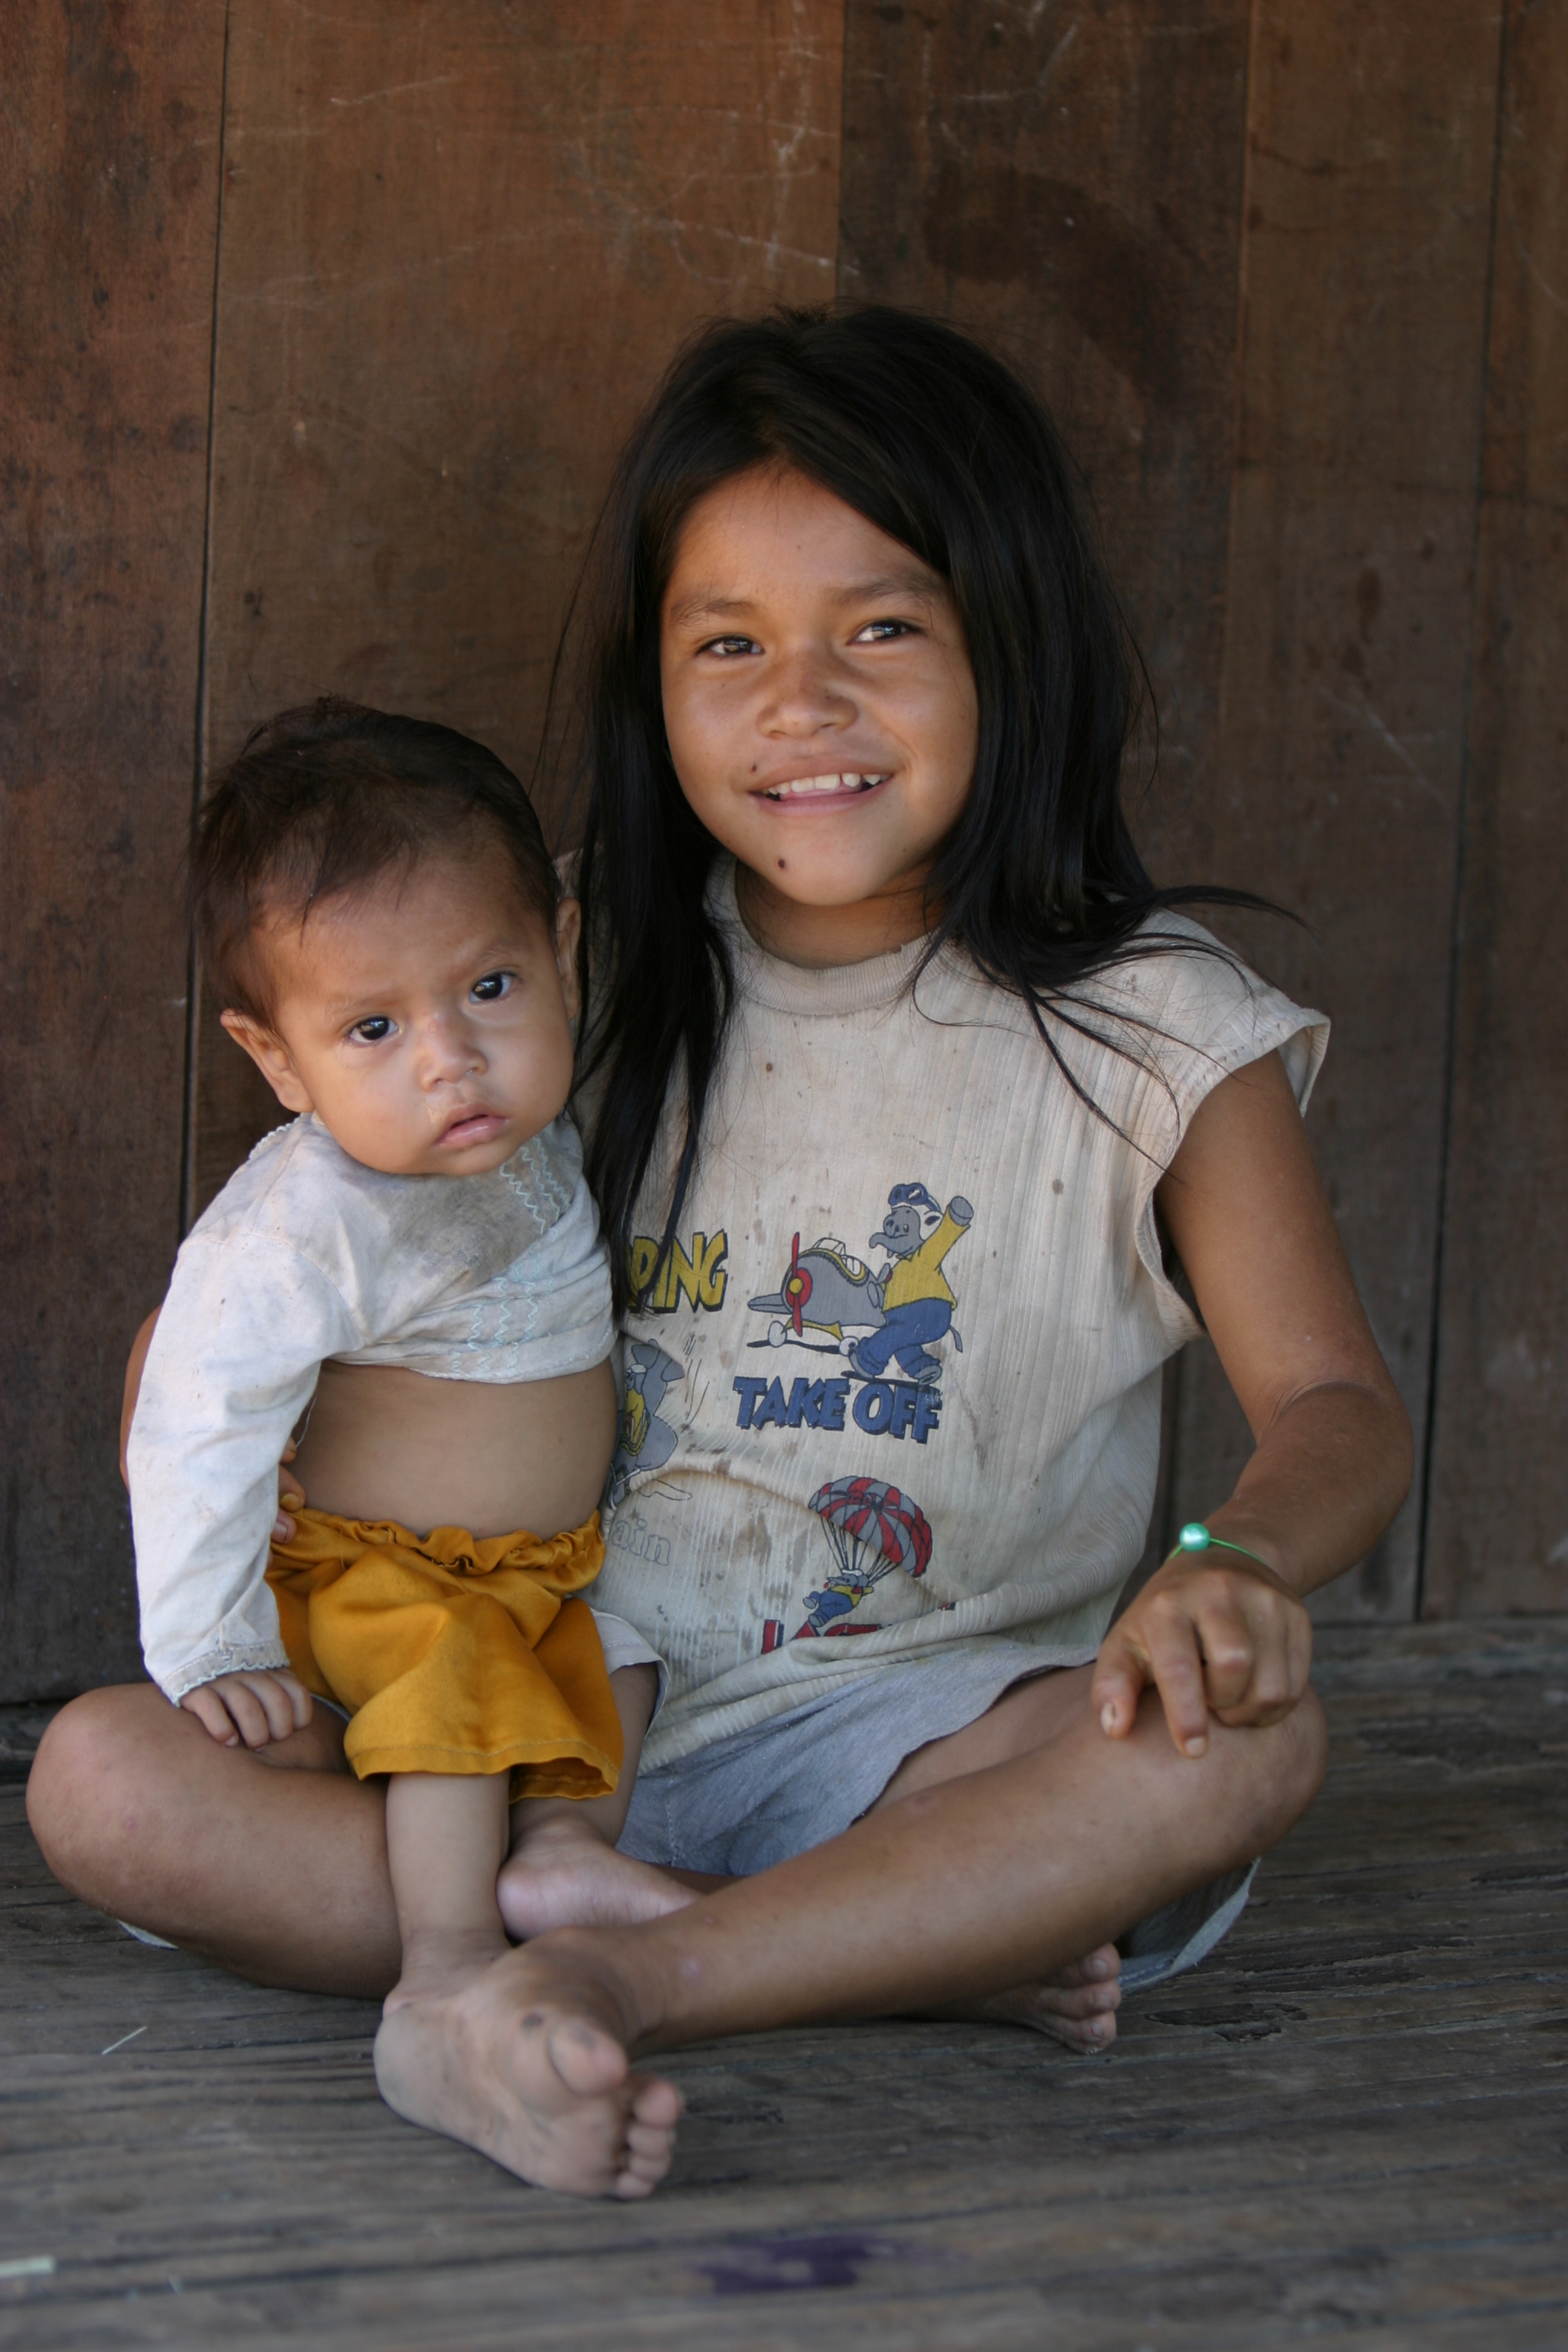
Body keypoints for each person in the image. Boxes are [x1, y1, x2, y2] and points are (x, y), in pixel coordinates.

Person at [30, 308, 1413, 2205]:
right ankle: (878, 1955)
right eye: (729, 645)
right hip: (530, 1728)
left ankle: (609, 1976)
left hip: (927, 1743)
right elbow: (292, 1285)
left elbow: (1333, 1400)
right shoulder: (556, 977)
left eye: (883, 630)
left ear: (1014, 638)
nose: (802, 704)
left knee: (1232, 1747)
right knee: (99, 1780)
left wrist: (1230, 1563)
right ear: (654, 679)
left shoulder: (1155, 1033)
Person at [119, 701, 667, 2121]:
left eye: (487, 988)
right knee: (447, 1699)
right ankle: (445, 1965)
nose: (449, 1060)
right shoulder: (306, 1225)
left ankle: (562, 1851)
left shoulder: (533, 1134)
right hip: (386, 1577)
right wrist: (210, 1643)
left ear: (561, 948)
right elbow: (196, 1420)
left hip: (540, 1573)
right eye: (372, 1027)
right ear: (281, 1062)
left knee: (644, 1654)